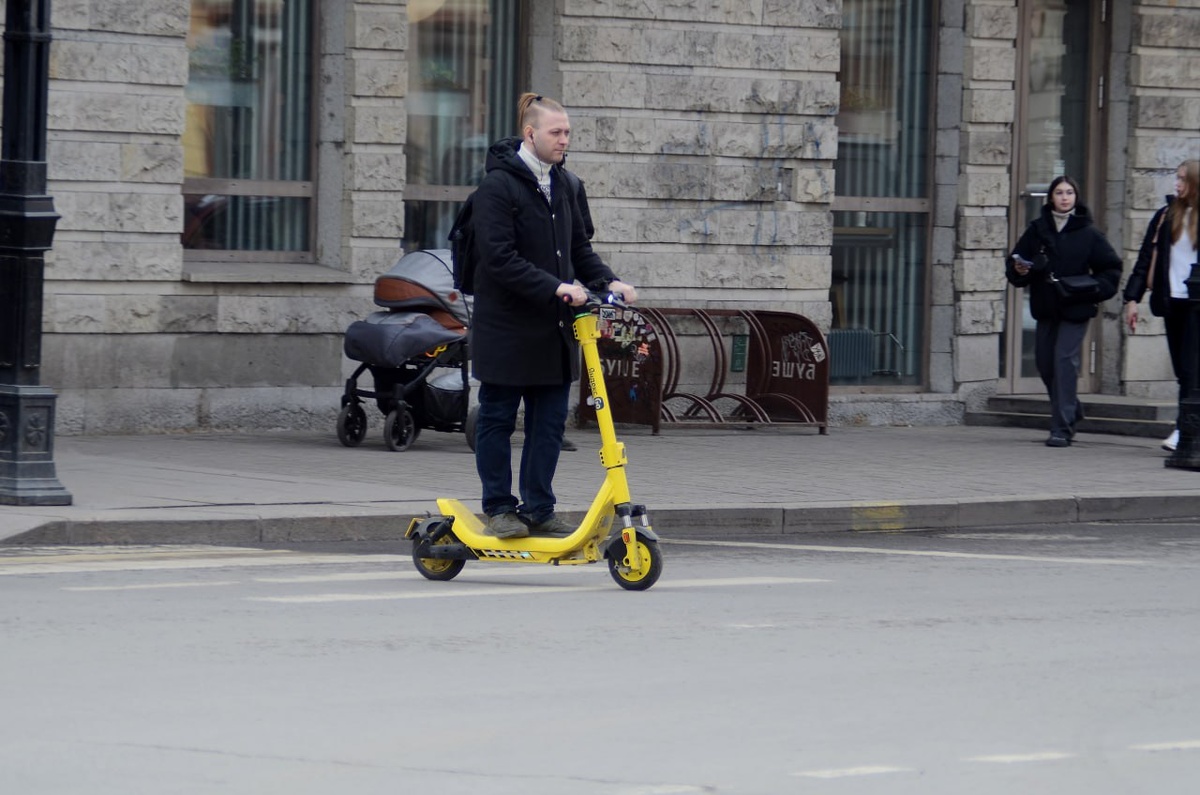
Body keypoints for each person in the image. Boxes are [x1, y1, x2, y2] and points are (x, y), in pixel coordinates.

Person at [470, 93, 637, 538]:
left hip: (554, 328)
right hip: (506, 327)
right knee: (498, 419)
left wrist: (607, 281)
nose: (565, 140)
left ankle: (539, 508)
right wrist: (555, 286)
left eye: (567, 132)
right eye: (556, 132)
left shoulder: (567, 185)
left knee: (547, 425)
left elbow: (579, 249)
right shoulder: (497, 187)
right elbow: (499, 259)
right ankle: (500, 508)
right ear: (531, 133)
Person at [1007, 176, 1122, 447]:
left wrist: (1095, 289)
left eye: (1069, 192)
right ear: (1051, 198)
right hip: (1047, 307)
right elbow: (1016, 263)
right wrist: (1020, 269)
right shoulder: (1037, 229)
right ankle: (1072, 408)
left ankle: (1061, 428)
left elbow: (1111, 268)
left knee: (1063, 360)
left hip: (1076, 306)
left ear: (1076, 197)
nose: (1064, 197)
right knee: (1045, 364)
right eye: (1059, 192)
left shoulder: (1089, 232)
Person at [1122, 160, 1200, 452]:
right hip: (1174, 301)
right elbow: (1145, 260)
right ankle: (1187, 427)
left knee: (1193, 369)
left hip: (1197, 303)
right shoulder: (1166, 216)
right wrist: (1132, 298)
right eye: (1176, 178)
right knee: (1183, 369)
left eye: (1183, 179)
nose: (1177, 184)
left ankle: (1184, 429)